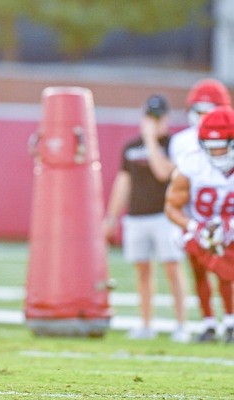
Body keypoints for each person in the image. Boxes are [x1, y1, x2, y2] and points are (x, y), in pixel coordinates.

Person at [103, 94, 189, 342]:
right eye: (149, 116)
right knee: (142, 271)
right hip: (137, 218)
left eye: (157, 117)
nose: (153, 121)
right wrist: (111, 217)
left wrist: (151, 139)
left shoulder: (173, 144)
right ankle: (146, 324)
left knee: (173, 268)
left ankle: (181, 325)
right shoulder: (130, 148)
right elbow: (123, 182)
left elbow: (164, 173)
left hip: (165, 216)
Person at [168, 78, 234, 342]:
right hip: (198, 222)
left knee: (226, 271)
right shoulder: (191, 161)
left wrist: (228, 227)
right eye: (211, 147)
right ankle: (208, 321)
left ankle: (230, 320)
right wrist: (195, 227)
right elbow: (171, 206)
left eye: (222, 147)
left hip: (229, 221)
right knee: (199, 269)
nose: (216, 154)